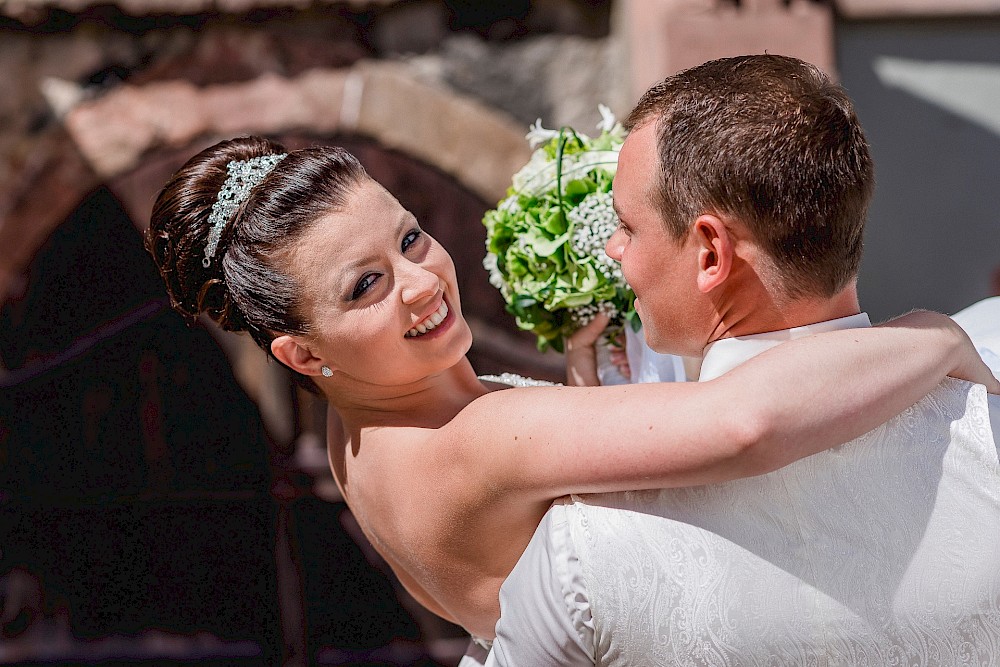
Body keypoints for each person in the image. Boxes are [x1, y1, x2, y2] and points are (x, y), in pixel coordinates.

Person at [145, 135, 994, 648]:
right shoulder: (477, 439)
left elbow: (536, 500)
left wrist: (585, 371)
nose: (420, 280)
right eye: (366, 286)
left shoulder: (364, 436)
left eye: (410, 237)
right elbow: (746, 423)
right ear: (299, 353)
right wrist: (934, 337)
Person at [484, 54, 1000, 665]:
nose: (613, 248)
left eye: (628, 225)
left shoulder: (585, 549)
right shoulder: (986, 427)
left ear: (710, 253)